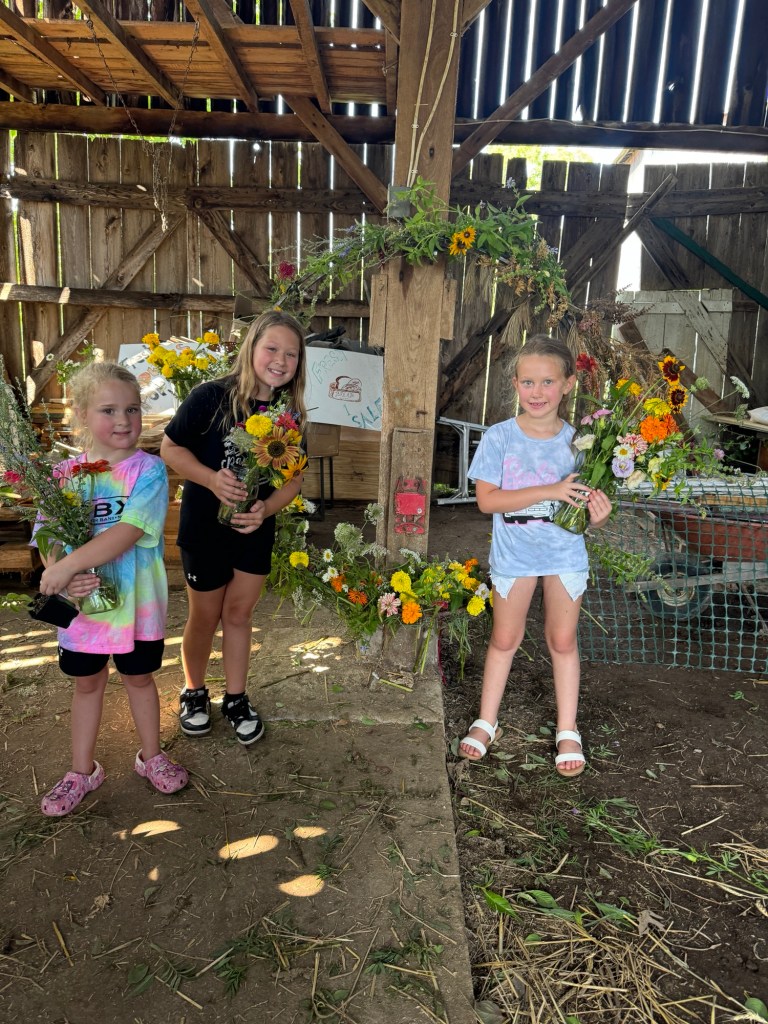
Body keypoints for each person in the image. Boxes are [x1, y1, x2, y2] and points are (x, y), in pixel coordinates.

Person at [36, 362, 188, 816]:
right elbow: (47, 533)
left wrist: (69, 566)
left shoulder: (150, 471)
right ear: (81, 414)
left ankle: (151, 756)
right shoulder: (63, 473)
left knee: (139, 678)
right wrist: (60, 569)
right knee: (87, 684)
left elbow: (129, 530)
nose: (123, 420)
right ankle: (82, 771)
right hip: (84, 613)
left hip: (139, 608)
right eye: (108, 410)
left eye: (132, 409)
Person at [458, 334, 612, 778]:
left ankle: (567, 728)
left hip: (565, 553)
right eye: (528, 382)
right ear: (515, 384)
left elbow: (585, 509)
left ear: (567, 385)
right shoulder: (499, 437)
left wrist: (600, 517)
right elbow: (487, 500)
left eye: (548, 382)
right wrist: (550, 489)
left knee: (562, 641)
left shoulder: (583, 443)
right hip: (515, 555)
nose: (537, 392)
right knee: (505, 638)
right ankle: (487, 721)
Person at [160, 310, 307, 746]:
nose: (280, 360)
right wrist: (210, 479)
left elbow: (294, 478)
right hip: (204, 529)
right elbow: (170, 448)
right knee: (205, 616)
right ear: (251, 347)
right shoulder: (210, 397)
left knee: (240, 615)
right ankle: (194, 692)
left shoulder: (290, 414)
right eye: (272, 348)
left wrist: (266, 509)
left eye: (292, 354)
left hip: (253, 531)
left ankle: (237, 699)